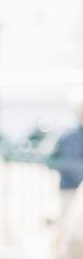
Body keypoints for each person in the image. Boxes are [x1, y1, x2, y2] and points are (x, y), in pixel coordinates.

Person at [48, 88, 83, 218]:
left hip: (74, 187)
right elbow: (67, 163)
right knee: (67, 224)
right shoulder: (70, 135)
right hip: (71, 188)